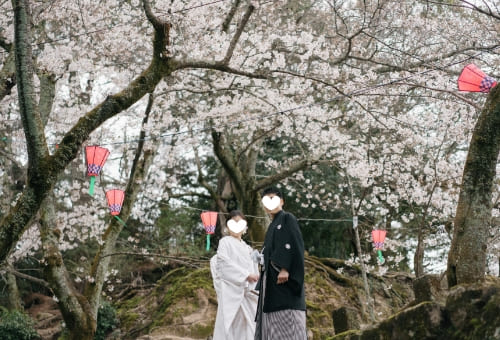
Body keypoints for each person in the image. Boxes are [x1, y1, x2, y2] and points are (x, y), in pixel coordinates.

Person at [254, 187, 307, 340]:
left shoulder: (287, 218)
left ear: (282, 201)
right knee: (272, 323)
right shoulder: (272, 225)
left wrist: (285, 268)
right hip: (271, 281)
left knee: (289, 322)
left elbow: (294, 245)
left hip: (284, 280)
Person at [210, 210, 260, 340]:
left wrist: (254, 275)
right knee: (232, 327)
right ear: (227, 226)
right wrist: (245, 275)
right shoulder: (225, 242)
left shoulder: (247, 248)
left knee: (251, 326)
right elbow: (224, 264)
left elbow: (254, 269)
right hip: (232, 292)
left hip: (248, 293)